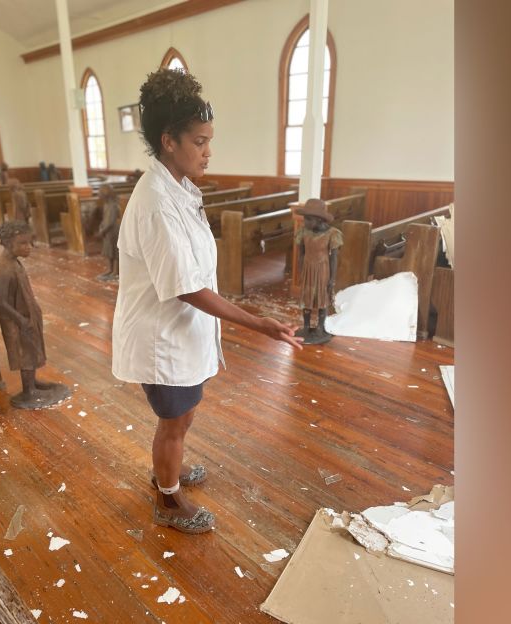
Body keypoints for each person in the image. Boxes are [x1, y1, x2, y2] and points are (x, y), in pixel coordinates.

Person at [111, 69, 303, 535]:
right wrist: (258, 324)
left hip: (181, 330)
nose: (208, 151)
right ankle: (168, 497)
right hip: (163, 335)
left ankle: (167, 472)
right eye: (199, 141)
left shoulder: (176, 188)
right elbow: (186, 287)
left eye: (208, 140)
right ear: (169, 141)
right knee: (174, 421)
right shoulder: (156, 200)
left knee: (183, 413)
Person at [0, 221, 70, 409]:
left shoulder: (14, 263)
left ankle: (32, 383)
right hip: (18, 321)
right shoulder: (2, 269)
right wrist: (22, 320)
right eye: (23, 243)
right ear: (9, 243)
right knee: (24, 352)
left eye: (30, 242)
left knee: (32, 350)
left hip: (27, 316)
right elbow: (1, 303)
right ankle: (28, 391)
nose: (29, 247)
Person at [294, 198, 343, 344]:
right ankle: (307, 326)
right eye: (305, 219)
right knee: (307, 298)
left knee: (322, 299)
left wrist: (332, 279)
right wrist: (301, 270)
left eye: (308, 219)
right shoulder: (303, 232)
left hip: (323, 270)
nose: (305, 222)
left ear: (319, 219)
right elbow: (301, 253)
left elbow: (333, 258)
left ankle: (321, 327)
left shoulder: (332, 234)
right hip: (308, 268)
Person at [95, 184, 120, 281]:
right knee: (108, 252)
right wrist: (101, 226)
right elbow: (105, 218)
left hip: (113, 231)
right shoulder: (106, 205)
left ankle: (116, 272)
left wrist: (103, 230)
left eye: (100, 194)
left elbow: (111, 221)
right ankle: (110, 269)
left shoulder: (113, 205)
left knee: (115, 252)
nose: (99, 196)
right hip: (107, 232)